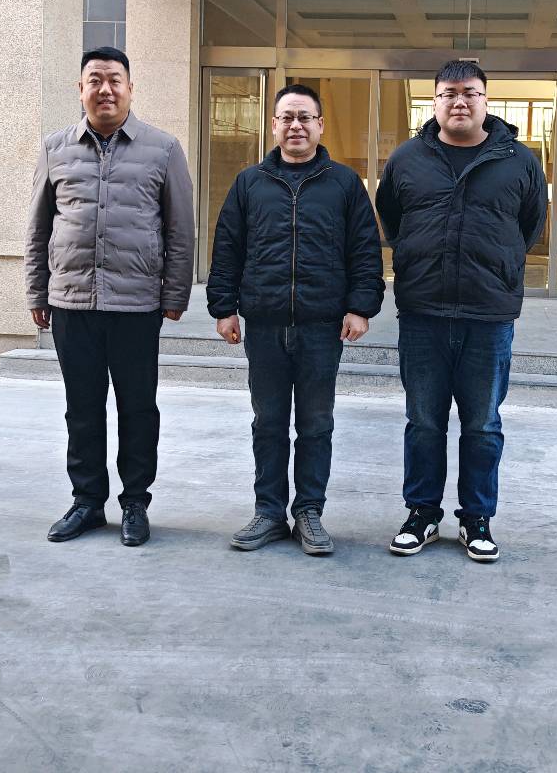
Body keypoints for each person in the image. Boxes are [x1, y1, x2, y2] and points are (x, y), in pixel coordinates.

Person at [375, 60, 546, 563]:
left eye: (470, 93)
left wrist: (496, 267)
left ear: (485, 100)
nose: (459, 102)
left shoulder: (519, 160)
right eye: (448, 93)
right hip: (423, 312)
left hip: (487, 316)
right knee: (423, 421)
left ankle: (477, 518)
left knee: (483, 424)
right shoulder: (407, 159)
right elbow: (391, 220)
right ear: (434, 101)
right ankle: (422, 513)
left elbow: (530, 227)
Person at [26, 46, 194, 547]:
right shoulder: (56, 148)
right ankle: (87, 502)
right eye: (95, 80)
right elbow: (38, 228)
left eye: (114, 80)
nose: (105, 89)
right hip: (71, 303)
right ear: (80, 89)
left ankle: (135, 502)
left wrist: (175, 293)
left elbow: (180, 228)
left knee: (138, 408)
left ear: (130, 89)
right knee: (82, 409)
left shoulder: (163, 149)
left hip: (136, 305)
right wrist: (37, 290)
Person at [207, 84, 385, 556]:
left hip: (322, 326)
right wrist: (224, 307)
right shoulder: (250, 183)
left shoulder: (344, 184)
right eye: (287, 117)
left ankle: (309, 511)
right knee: (268, 422)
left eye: (305, 117)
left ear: (320, 125)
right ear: (273, 126)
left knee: (316, 423)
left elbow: (365, 250)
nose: (296, 126)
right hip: (264, 324)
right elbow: (227, 248)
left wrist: (360, 306)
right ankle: (269, 511)